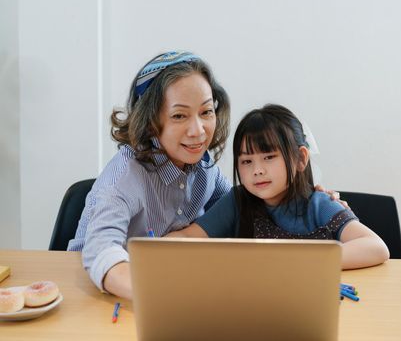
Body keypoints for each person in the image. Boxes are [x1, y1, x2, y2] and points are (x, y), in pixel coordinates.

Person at [68, 51, 345, 299]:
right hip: (102, 293)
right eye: (179, 116)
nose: (198, 131)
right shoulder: (123, 177)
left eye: (206, 112)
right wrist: (159, 291)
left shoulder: (203, 166)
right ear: (150, 122)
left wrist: (306, 197)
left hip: (176, 284)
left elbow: (246, 207)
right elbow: (102, 251)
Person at [168, 104, 390, 269]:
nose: (257, 170)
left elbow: (375, 247)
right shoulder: (237, 201)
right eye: (246, 161)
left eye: (269, 157)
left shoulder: (319, 204)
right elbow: (189, 237)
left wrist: (294, 261)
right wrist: (154, 249)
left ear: (300, 159)